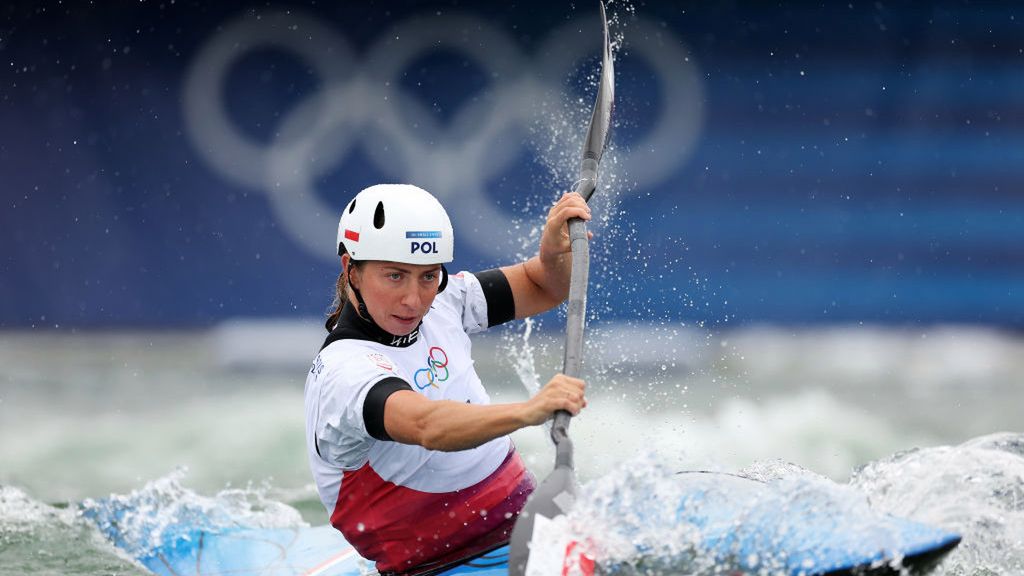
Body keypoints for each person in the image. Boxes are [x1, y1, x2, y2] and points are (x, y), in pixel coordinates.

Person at [304, 183, 590, 574]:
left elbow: (543, 285)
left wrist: (553, 253)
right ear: (350, 269)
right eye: (394, 276)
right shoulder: (345, 372)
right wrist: (530, 410)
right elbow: (428, 425)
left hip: (525, 536)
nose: (414, 299)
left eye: (428, 276)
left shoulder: (445, 300)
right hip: (441, 567)